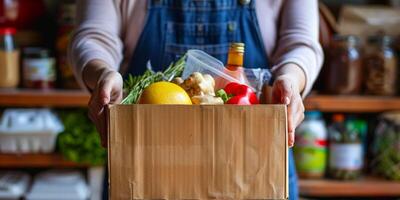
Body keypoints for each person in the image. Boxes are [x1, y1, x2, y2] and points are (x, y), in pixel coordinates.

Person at [69, 0, 323, 199]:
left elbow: (301, 43)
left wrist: (291, 78)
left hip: (253, 162)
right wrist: (103, 73)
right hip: (147, 163)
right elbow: (93, 37)